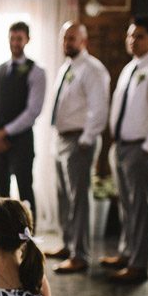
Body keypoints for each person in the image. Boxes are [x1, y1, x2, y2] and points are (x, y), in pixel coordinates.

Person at [100, 15, 148, 284]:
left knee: (141, 208)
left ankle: (140, 264)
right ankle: (126, 252)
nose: (133, 40)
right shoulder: (131, 67)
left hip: (142, 149)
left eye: (140, 36)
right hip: (122, 147)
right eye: (130, 35)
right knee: (126, 205)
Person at [46, 22, 110, 274]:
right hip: (61, 139)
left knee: (79, 200)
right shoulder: (67, 67)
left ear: (84, 41)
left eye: (72, 38)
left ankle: (80, 254)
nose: (67, 42)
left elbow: (99, 109)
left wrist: (85, 140)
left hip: (79, 140)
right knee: (64, 198)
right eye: (64, 38)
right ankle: (67, 244)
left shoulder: (92, 69)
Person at [0, 22, 47, 221]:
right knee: (1, 192)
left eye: (19, 38)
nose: (15, 42)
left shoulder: (36, 72)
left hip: (22, 140)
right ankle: (3, 238)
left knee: (25, 190)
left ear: (27, 40)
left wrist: (6, 132)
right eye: (12, 38)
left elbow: (33, 111)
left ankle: (29, 244)